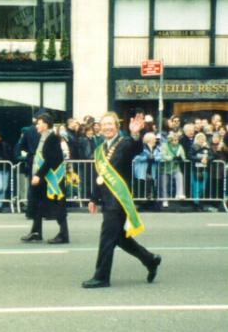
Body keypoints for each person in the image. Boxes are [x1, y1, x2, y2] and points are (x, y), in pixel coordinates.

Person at [82, 112, 161, 288]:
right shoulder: (99, 149)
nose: (107, 127)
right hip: (107, 199)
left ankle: (101, 277)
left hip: (119, 200)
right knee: (120, 239)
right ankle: (150, 260)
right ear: (100, 128)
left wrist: (134, 134)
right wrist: (93, 198)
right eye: (104, 125)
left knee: (106, 239)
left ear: (117, 127)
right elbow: (99, 176)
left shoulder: (124, 143)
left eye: (111, 124)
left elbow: (136, 148)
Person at [21, 113, 69, 244]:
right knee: (38, 205)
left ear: (45, 124)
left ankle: (64, 234)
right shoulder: (43, 137)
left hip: (52, 178)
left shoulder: (52, 138)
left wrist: (38, 175)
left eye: (39, 123)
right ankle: (36, 232)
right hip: (44, 178)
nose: (36, 125)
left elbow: (49, 161)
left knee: (58, 205)